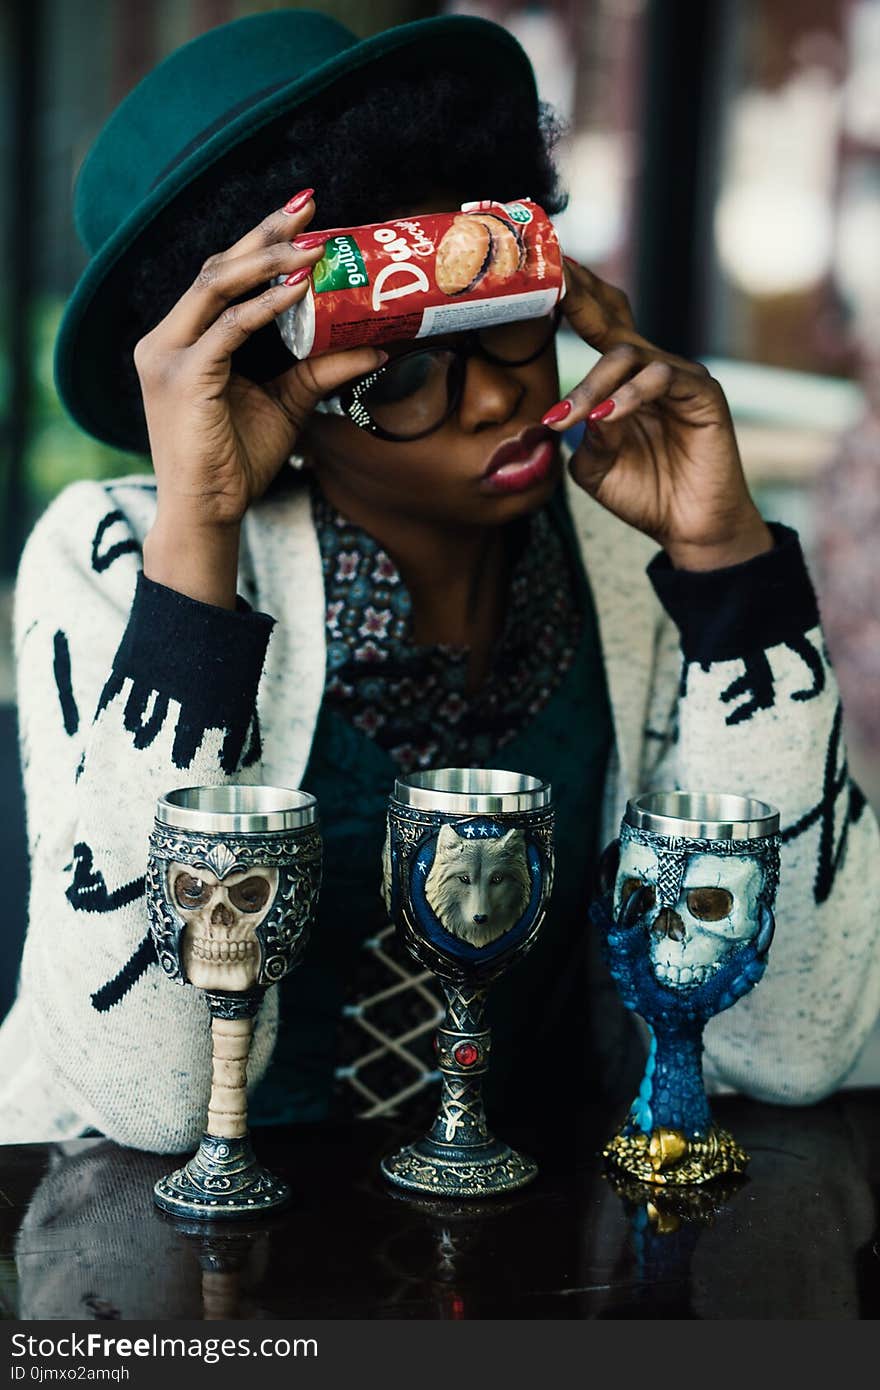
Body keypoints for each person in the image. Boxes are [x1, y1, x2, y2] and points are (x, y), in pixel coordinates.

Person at [1, 9, 878, 1153]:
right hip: (140, 1251)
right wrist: (198, 545)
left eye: (503, 321)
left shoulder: (629, 558)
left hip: (530, 1248)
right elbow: (146, 1103)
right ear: (276, 399)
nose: (495, 399)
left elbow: (797, 1045)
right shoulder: (114, 559)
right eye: (402, 367)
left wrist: (729, 574)